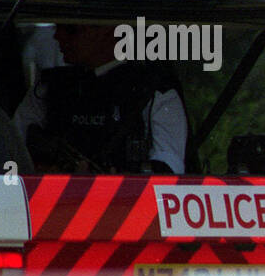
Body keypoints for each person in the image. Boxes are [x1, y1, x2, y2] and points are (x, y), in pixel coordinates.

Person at [14, 23, 187, 174]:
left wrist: (123, 180)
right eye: (57, 27)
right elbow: (12, 145)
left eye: (71, 29)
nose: (57, 36)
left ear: (108, 30)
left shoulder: (154, 92)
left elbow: (169, 173)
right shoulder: (50, 88)